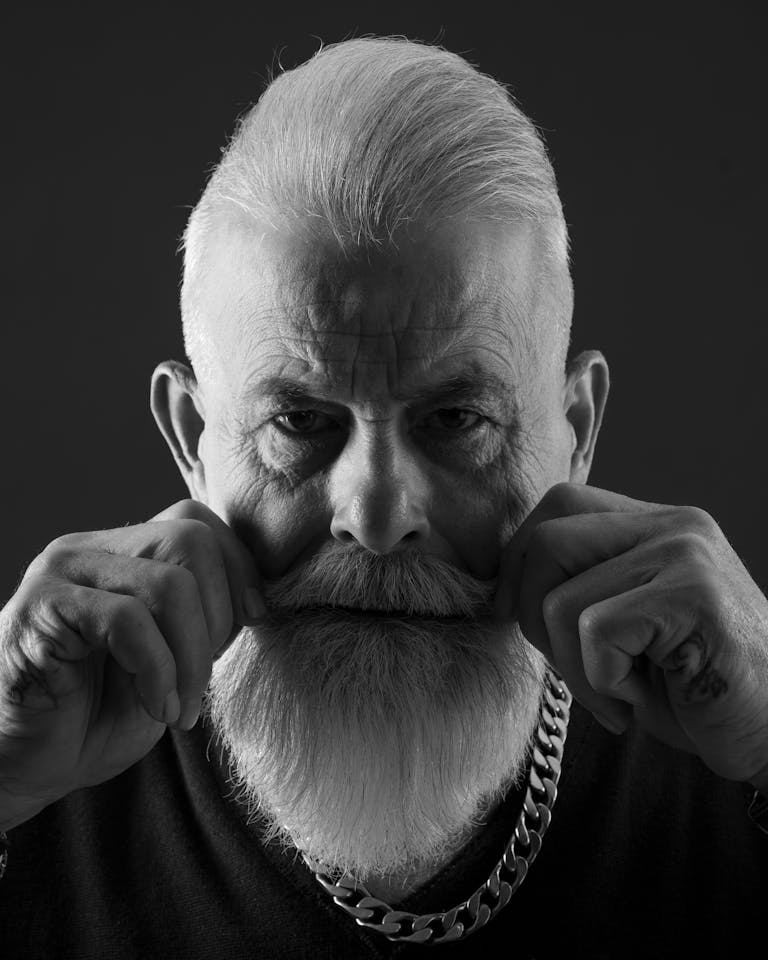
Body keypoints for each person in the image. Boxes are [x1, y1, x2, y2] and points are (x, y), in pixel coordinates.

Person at [1, 35, 767, 958]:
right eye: (298, 423)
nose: (374, 516)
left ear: (576, 432)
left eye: (456, 419)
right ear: (190, 440)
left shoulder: (732, 747)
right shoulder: (38, 767)